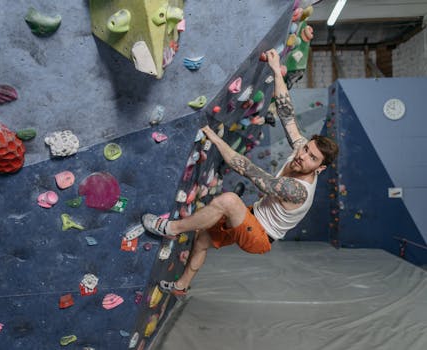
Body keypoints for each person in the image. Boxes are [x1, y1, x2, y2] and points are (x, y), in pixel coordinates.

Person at [141, 48, 339, 296]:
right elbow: (286, 113)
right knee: (202, 240)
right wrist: (277, 72)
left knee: (228, 200)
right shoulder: (300, 151)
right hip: (251, 217)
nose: (302, 156)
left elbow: (248, 170)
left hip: (261, 237)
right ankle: (181, 287)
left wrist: (213, 136)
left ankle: (170, 228)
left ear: (319, 168)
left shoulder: (297, 190)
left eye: (312, 158)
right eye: (306, 148)